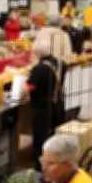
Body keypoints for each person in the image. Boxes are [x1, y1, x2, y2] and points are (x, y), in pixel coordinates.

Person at [25, 42, 62, 171]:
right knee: (47, 136)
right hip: (51, 105)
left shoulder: (39, 69)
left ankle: (40, 169)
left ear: (38, 54)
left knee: (39, 140)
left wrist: (25, 92)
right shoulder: (54, 64)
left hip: (40, 108)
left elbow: (29, 87)